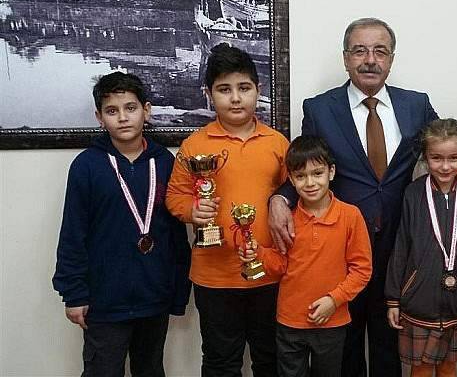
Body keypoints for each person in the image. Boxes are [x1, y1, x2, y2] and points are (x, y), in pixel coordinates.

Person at [268, 17, 457, 377]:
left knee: (390, 338)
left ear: (391, 58)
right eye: (360, 51)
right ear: (345, 57)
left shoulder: (415, 104)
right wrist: (280, 199)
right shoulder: (320, 108)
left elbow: (456, 143)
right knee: (345, 340)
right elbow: (306, 162)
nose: (370, 60)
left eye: (380, 51)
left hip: (401, 243)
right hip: (342, 244)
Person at [52, 71, 191, 377]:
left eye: (130, 108)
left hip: (154, 296)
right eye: (112, 111)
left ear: (147, 110)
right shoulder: (87, 166)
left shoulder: (165, 163)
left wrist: (179, 289)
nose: (123, 118)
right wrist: (74, 294)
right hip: (104, 301)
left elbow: (176, 234)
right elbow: (73, 234)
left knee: (151, 370)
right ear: (100, 118)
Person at [166, 43, 289, 377]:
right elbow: (175, 196)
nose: (235, 98)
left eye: (244, 88)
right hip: (214, 274)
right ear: (209, 95)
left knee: (271, 358)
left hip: (270, 270)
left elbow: (292, 195)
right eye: (224, 90)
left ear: (258, 91)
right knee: (221, 361)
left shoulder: (277, 143)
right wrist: (193, 211)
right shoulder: (195, 145)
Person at [241, 135, 373, 377]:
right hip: (290, 321)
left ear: (331, 172)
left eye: (317, 173)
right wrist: (257, 253)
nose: (310, 183)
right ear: (291, 179)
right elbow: (280, 265)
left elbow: (362, 270)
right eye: (301, 176)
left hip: (332, 321)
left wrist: (334, 300)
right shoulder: (286, 220)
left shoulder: (351, 216)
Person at [384, 118, 457, 377]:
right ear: (426, 157)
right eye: (436, 158)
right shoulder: (412, 194)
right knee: (420, 367)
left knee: (449, 368)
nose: (445, 166)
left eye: (454, 158)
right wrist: (393, 299)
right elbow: (401, 248)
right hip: (418, 301)